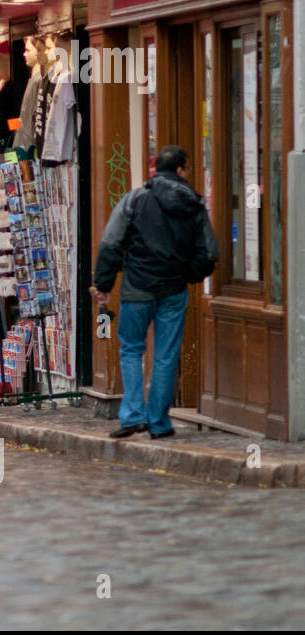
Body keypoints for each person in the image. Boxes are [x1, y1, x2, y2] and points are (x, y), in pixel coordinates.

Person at [91, 145, 218, 440]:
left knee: (132, 349)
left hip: (136, 289)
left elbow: (110, 242)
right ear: (180, 169)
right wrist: (189, 274)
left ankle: (133, 415)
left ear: (156, 169)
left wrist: (104, 285)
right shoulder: (194, 205)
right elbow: (210, 252)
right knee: (166, 355)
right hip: (173, 291)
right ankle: (159, 423)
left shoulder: (135, 200)